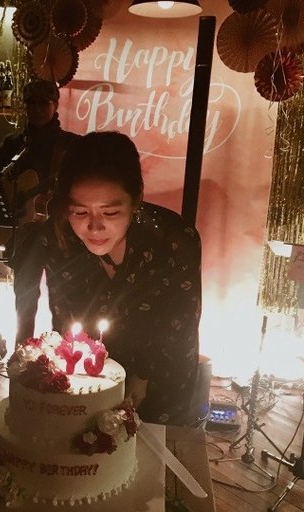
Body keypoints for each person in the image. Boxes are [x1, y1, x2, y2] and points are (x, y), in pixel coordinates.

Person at [10, 131, 201, 425]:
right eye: (80, 211)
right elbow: (58, 316)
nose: (94, 227)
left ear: (135, 200)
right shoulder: (58, 237)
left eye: (110, 212)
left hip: (161, 376)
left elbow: (179, 322)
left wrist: (142, 376)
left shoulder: (173, 240)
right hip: (87, 378)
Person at [0, 78, 79, 220]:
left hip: (56, 223)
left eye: (43, 103)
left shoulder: (71, 144)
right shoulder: (13, 142)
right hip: (14, 223)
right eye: (31, 103)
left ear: (56, 105)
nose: (37, 109)